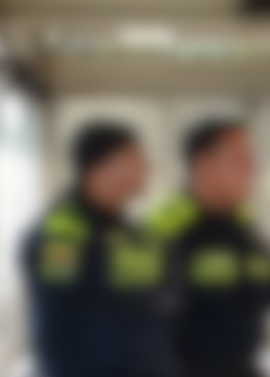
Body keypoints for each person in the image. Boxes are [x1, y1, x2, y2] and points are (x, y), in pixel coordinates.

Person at [148, 121, 270, 377]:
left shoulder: (240, 228)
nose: (252, 169)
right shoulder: (166, 231)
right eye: (240, 159)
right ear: (204, 165)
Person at [22, 122, 173, 377]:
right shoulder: (61, 233)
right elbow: (66, 306)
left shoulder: (128, 230)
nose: (148, 167)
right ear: (106, 165)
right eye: (137, 159)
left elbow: (160, 289)